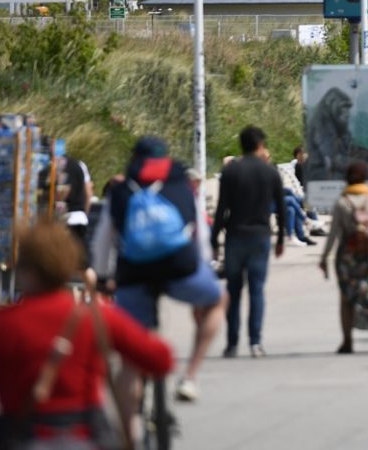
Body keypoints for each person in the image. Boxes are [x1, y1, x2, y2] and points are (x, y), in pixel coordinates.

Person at [0, 221, 174, 450]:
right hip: (85, 435)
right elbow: (160, 359)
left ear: (25, 267)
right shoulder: (96, 317)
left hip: (21, 436)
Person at [93, 136, 224, 404]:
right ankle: (189, 376)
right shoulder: (181, 186)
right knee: (218, 301)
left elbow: (103, 241)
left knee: (130, 360)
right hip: (180, 268)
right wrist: (203, 268)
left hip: (133, 273)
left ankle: (129, 436)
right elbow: (200, 234)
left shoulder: (120, 191)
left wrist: (104, 278)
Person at [211, 125, 286, 358]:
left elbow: (221, 207)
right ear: (260, 145)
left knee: (233, 291)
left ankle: (232, 343)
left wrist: (214, 239)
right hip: (260, 237)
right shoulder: (270, 172)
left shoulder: (231, 172)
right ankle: (255, 342)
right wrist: (281, 237)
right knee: (256, 290)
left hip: (235, 236)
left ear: (241, 145)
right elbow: (281, 208)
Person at [320, 160, 368, 354]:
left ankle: (347, 341)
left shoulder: (341, 202)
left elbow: (333, 234)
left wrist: (324, 258)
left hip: (347, 257)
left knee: (346, 298)